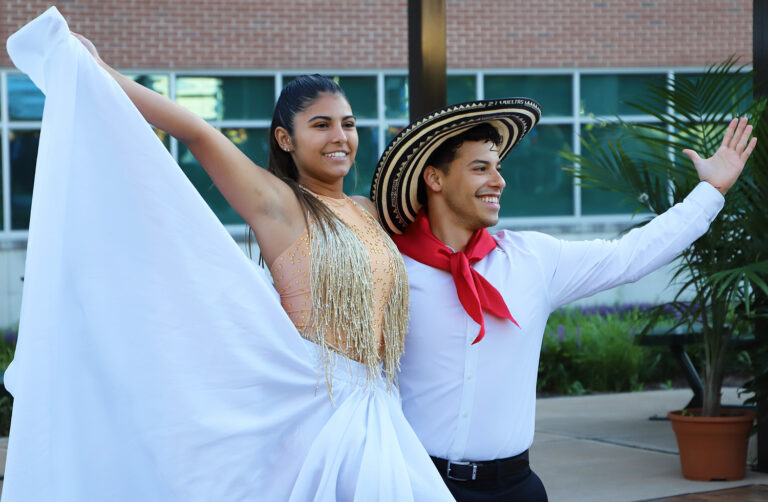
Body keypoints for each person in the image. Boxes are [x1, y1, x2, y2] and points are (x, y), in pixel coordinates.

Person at [3, 7, 453, 501]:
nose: (339, 137)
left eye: (347, 123)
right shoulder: (278, 202)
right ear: (286, 138)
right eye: (320, 125)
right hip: (317, 408)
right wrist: (99, 72)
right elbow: (196, 131)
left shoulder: (368, 209)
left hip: (380, 403)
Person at [370, 99, 755, 501]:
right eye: (480, 168)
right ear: (434, 178)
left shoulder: (533, 260)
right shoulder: (391, 270)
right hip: (418, 485)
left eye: (498, 168)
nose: (499, 180)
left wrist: (711, 191)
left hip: (516, 488)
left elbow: (629, 256)